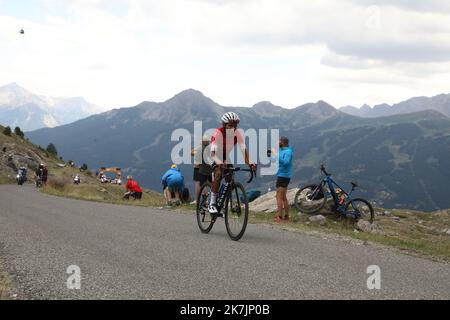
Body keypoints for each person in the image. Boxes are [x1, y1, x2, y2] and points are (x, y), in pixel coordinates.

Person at [208, 112, 257, 215]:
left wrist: (251, 163)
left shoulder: (237, 134)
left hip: (225, 157)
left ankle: (221, 200)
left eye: (235, 125)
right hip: (214, 155)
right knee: (218, 174)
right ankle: (212, 203)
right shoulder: (218, 133)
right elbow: (213, 154)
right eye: (230, 125)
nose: (232, 128)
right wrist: (219, 162)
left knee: (229, 179)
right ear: (224, 124)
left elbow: (244, 153)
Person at [271, 136, 293, 222]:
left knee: (278, 197)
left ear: (282, 142)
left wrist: (276, 154)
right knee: (283, 197)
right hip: (282, 175)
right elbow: (276, 160)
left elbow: (286, 163)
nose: (277, 143)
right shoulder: (281, 150)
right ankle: (286, 216)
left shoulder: (288, 152)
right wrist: (270, 155)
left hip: (284, 176)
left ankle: (279, 216)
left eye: (278, 141)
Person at [191, 135, 213, 203]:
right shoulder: (210, 148)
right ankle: (206, 201)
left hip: (198, 168)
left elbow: (192, 153)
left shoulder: (199, 148)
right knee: (206, 183)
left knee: (198, 184)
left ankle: (198, 200)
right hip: (208, 168)